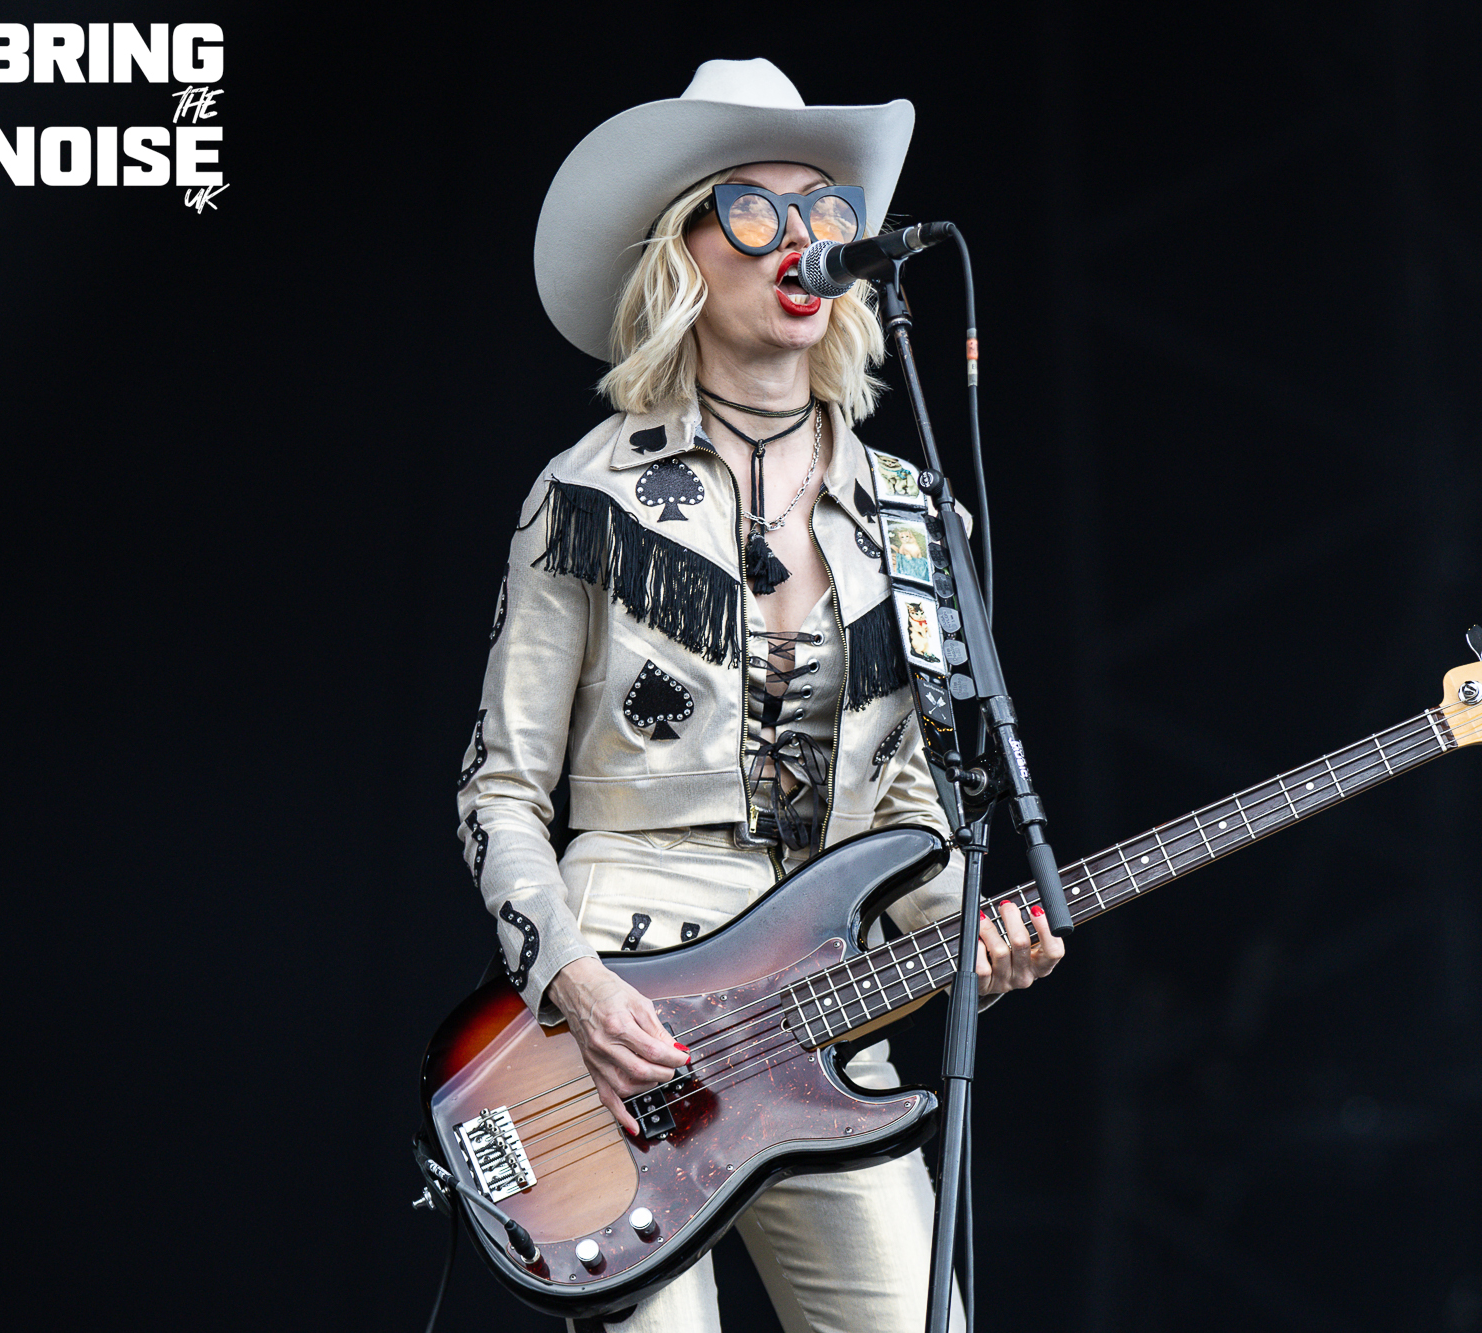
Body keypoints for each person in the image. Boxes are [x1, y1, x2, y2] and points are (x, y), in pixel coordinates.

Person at [456, 58, 1064, 1333]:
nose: (801, 238)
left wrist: (972, 941)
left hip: (821, 1012)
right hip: (624, 998)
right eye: (753, 210)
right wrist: (573, 983)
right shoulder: (587, 494)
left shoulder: (918, 517)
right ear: (680, 253)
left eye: (825, 210)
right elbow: (497, 791)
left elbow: (909, 809)